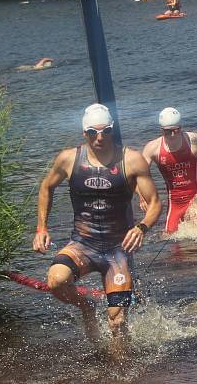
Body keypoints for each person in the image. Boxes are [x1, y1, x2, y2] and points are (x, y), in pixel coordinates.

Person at [32, 104, 161, 354]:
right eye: (93, 132)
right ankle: (86, 307)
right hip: (82, 243)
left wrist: (142, 227)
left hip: (117, 250)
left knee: (117, 320)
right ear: (84, 133)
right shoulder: (69, 159)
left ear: (113, 130)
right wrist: (41, 228)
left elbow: (155, 202)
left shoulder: (131, 160)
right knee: (56, 281)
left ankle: (120, 367)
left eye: (106, 131)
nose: (99, 137)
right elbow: (46, 187)